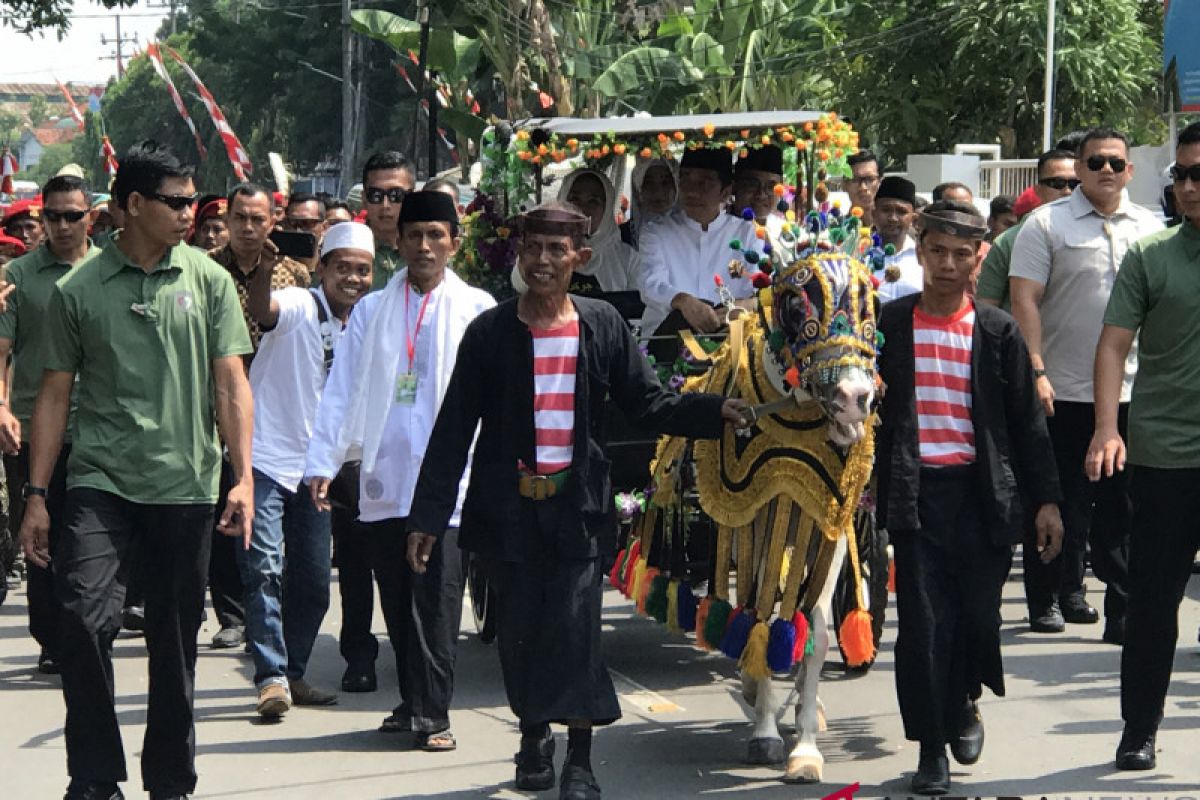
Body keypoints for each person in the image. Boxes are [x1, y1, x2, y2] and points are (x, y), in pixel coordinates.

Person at [406, 202, 753, 800]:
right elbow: (454, 429)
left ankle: (581, 763)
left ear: (580, 258)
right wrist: (428, 518)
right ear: (520, 253)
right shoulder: (490, 333)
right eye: (533, 248)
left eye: (556, 250)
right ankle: (534, 738)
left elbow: (647, 403)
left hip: (578, 513)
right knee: (519, 636)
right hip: (510, 514)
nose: (542, 261)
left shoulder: (601, 325)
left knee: (576, 634)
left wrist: (712, 411)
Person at [18, 139, 253, 800]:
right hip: (100, 484)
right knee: (81, 618)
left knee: (174, 646)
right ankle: (95, 776)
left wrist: (243, 475)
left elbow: (230, 382)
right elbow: (55, 395)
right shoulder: (78, 289)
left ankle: (170, 782)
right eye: (175, 202)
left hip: (185, 486)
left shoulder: (208, 281)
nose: (189, 213)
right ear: (132, 206)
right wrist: (37, 494)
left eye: (192, 201)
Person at [875, 200, 1063, 795]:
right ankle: (932, 749)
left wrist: (1047, 502)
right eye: (937, 251)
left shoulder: (997, 330)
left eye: (962, 254)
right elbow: (866, 416)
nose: (948, 265)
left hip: (983, 499)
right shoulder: (890, 324)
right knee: (926, 625)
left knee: (978, 616)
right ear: (919, 248)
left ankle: (966, 701)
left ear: (980, 257)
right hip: (915, 495)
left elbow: (1027, 426)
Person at [305, 191, 495, 746]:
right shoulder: (370, 310)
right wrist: (325, 460)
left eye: (436, 235)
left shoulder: (477, 309)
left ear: (454, 242)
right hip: (386, 476)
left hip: (449, 483)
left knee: (436, 598)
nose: (424, 246)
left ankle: (434, 715)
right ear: (398, 241)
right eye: (414, 235)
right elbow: (342, 389)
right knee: (398, 596)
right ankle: (413, 701)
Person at [1009, 128, 1161, 641]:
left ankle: (1122, 609)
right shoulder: (1044, 225)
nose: (1106, 171)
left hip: (1132, 394)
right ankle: (1045, 597)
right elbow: (1024, 300)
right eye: (1095, 162)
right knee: (1057, 499)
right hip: (1062, 389)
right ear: (1078, 168)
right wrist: (1035, 369)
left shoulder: (1151, 227)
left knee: (1122, 507)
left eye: (1116, 163)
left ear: (1130, 171)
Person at [1085, 120, 1200, 772]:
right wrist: (1107, 428)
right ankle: (1139, 730)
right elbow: (1113, 345)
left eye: (1199, 174)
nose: (1188, 186)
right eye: (1181, 174)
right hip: (1163, 458)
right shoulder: (1150, 256)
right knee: (1154, 604)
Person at [239, 221, 373, 719]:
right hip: (267, 461)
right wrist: (265, 272)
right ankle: (271, 677)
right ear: (322, 268)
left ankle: (292, 672)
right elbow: (262, 310)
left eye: (363, 271)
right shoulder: (298, 304)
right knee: (265, 570)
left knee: (315, 583)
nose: (353, 279)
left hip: (317, 472)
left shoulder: (364, 324)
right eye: (343, 268)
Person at [0, 174, 98, 677]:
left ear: (91, 218)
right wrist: (1, 407)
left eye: (72, 216)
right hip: (35, 429)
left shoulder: (110, 273)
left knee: (91, 537)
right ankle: (51, 634)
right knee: (40, 533)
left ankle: (88, 627)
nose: (62, 226)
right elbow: (2, 350)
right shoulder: (19, 276)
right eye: (52, 216)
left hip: (100, 428)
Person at [204, 183, 308, 651]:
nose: (248, 228)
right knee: (223, 502)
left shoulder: (294, 274)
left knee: (270, 518)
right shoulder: (205, 272)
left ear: (273, 222)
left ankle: (270, 613)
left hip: (278, 408)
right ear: (227, 219)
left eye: (257, 219)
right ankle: (232, 613)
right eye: (240, 217)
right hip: (218, 400)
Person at [638, 147, 759, 335]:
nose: (692, 191)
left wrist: (745, 305)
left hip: (731, 342)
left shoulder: (745, 233)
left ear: (725, 192)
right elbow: (651, 283)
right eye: (685, 179)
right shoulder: (657, 231)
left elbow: (762, 287)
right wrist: (682, 300)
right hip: (667, 342)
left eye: (704, 182)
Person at [976, 149, 1077, 311]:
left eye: (1075, 184)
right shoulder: (1008, 242)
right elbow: (987, 307)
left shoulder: (1098, 235)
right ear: (1038, 190)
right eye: (1057, 183)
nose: (1067, 191)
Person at [559, 167, 640, 291]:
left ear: (607, 209)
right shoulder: (544, 250)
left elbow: (640, 305)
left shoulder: (627, 259)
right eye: (574, 200)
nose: (582, 209)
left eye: (593, 201)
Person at [361, 151, 417, 290]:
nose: (385, 205)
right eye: (376, 195)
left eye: (396, 195)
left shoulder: (427, 253)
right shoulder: (347, 251)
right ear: (364, 199)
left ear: (413, 197)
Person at [872, 176, 923, 303]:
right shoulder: (859, 256)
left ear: (913, 218)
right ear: (874, 214)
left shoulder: (923, 257)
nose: (893, 218)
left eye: (901, 212)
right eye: (886, 210)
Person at [730, 145, 786, 237]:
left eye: (771, 186)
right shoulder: (716, 229)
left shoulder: (781, 232)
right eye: (752, 185)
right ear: (735, 186)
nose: (761, 194)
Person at [620, 158, 676, 248]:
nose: (658, 191)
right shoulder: (618, 238)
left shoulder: (689, 235)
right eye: (649, 183)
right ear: (638, 190)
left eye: (665, 182)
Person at [845, 149, 881, 228]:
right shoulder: (836, 231)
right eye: (855, 180)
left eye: (870, 179)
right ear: (844, 184)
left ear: (880, 182)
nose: (863, 187)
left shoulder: (892, 231)